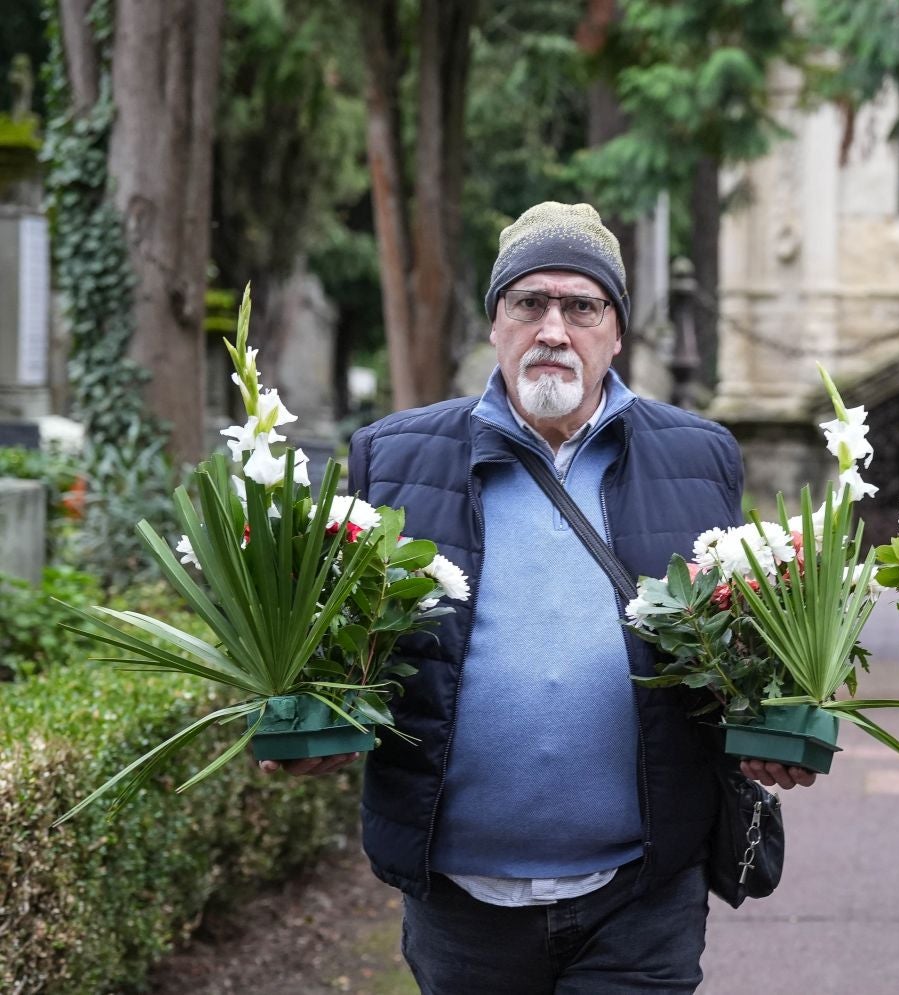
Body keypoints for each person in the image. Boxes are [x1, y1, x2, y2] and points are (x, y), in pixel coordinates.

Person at [262, 202, 816, 994]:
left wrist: (768, 727)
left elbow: (740, 640)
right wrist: (315, 719)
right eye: (529, 303)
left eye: (582, 306)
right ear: (497, 323)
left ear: (615, 332)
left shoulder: (698, 455)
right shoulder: (394, 455)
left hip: (640, 896)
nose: (553, 329)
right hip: (462, 906)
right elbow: (351, 651)